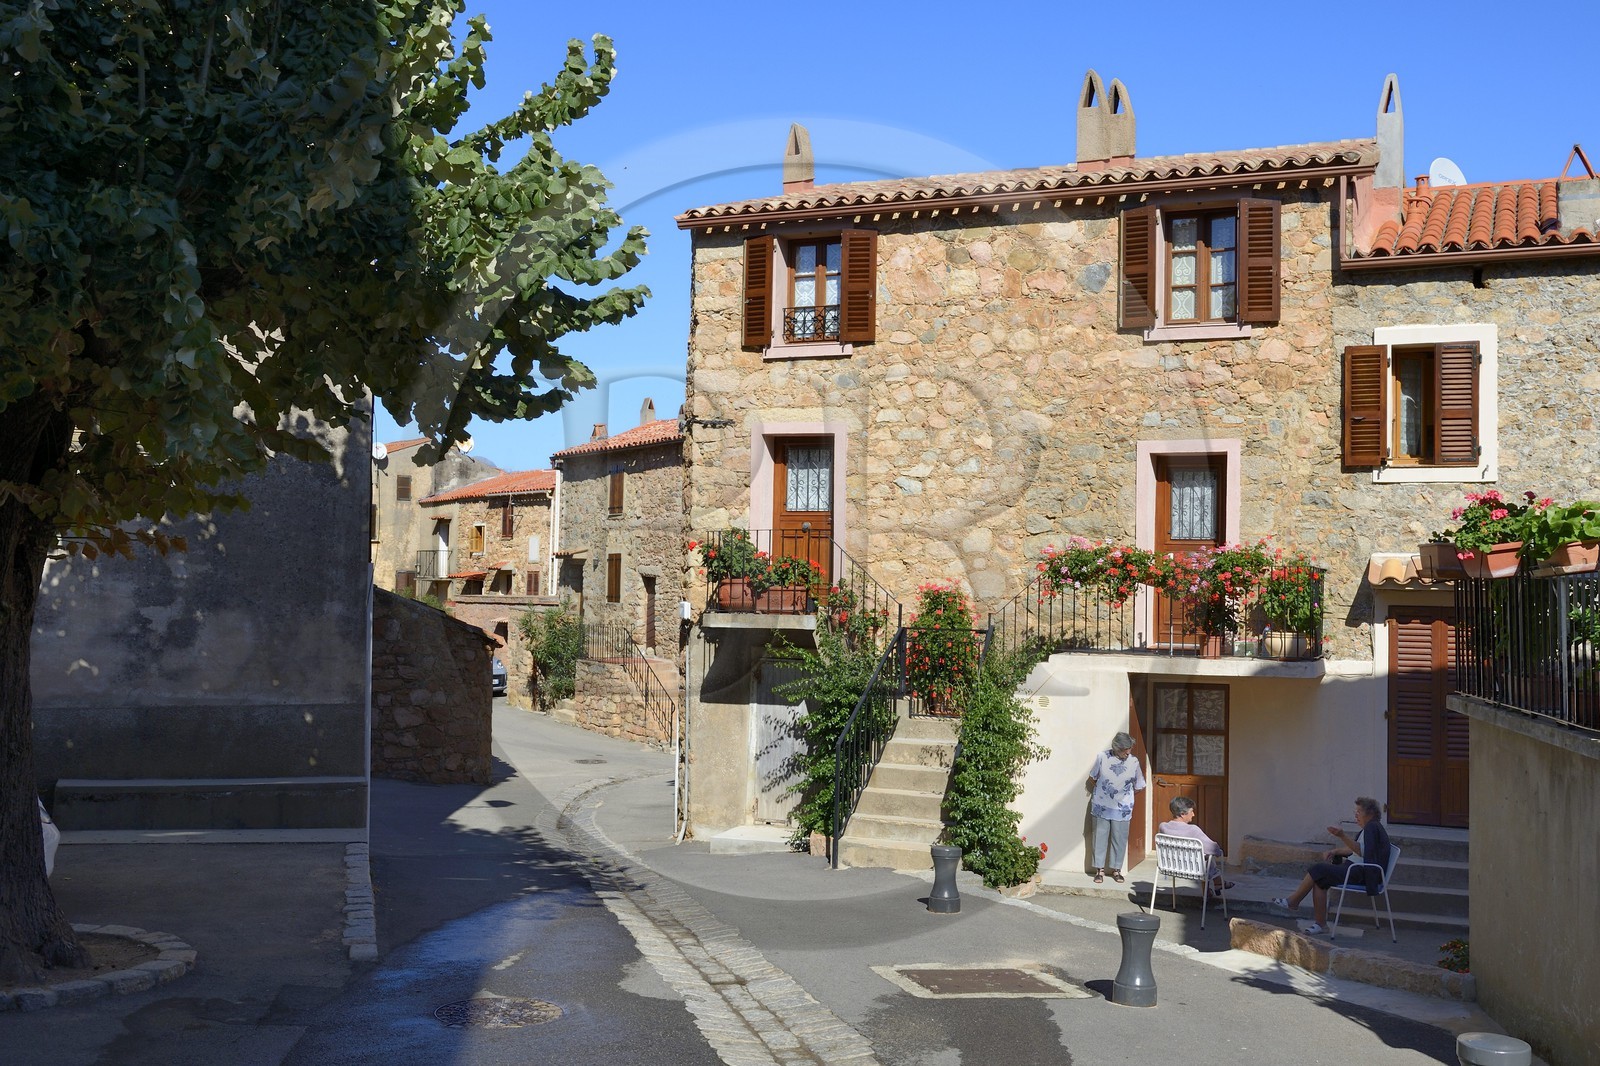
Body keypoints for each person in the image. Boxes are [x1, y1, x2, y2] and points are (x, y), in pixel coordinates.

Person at [1272, 796, 1392, 934]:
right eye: (1355, 812)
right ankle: (1320, 925)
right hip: (1356, 869)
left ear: (1369, 813)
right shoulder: (1370, 828)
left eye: (1359, 812)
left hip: (1362, 873)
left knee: (1319, 869)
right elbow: (1356, 849)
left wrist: (1342, 836)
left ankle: (1294, 901)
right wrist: (1335, 851)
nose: (1356, 815)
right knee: (1320, 880)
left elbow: (1360, 851)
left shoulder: (1372, 827)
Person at [1087, 732, 1145, 884]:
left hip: (1123, 808)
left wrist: (1124, 796)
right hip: (1101, 806)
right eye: (1125, 749)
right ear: (1117, 747)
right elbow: (1092, 778)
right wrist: (1104, 792)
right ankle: (1099, 870)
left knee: (1119, 839)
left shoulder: (1134, 761)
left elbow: (1140, 785)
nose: (1128, 752)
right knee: (1099, 837)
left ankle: (1116, 870)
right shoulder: (1102, 757)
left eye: (1130, 748)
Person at [1157, 796, 1235, 897]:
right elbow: (1214, 849)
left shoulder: (1163, 827)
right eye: (1191, 811)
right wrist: (1219, 851)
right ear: (1182, 814)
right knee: (1207, 857)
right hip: (1192, 869)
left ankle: (1212, 887)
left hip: (1171, 866)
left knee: (1202, 856)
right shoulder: (1193, 830)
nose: (1193, 814)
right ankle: (1218, 882)